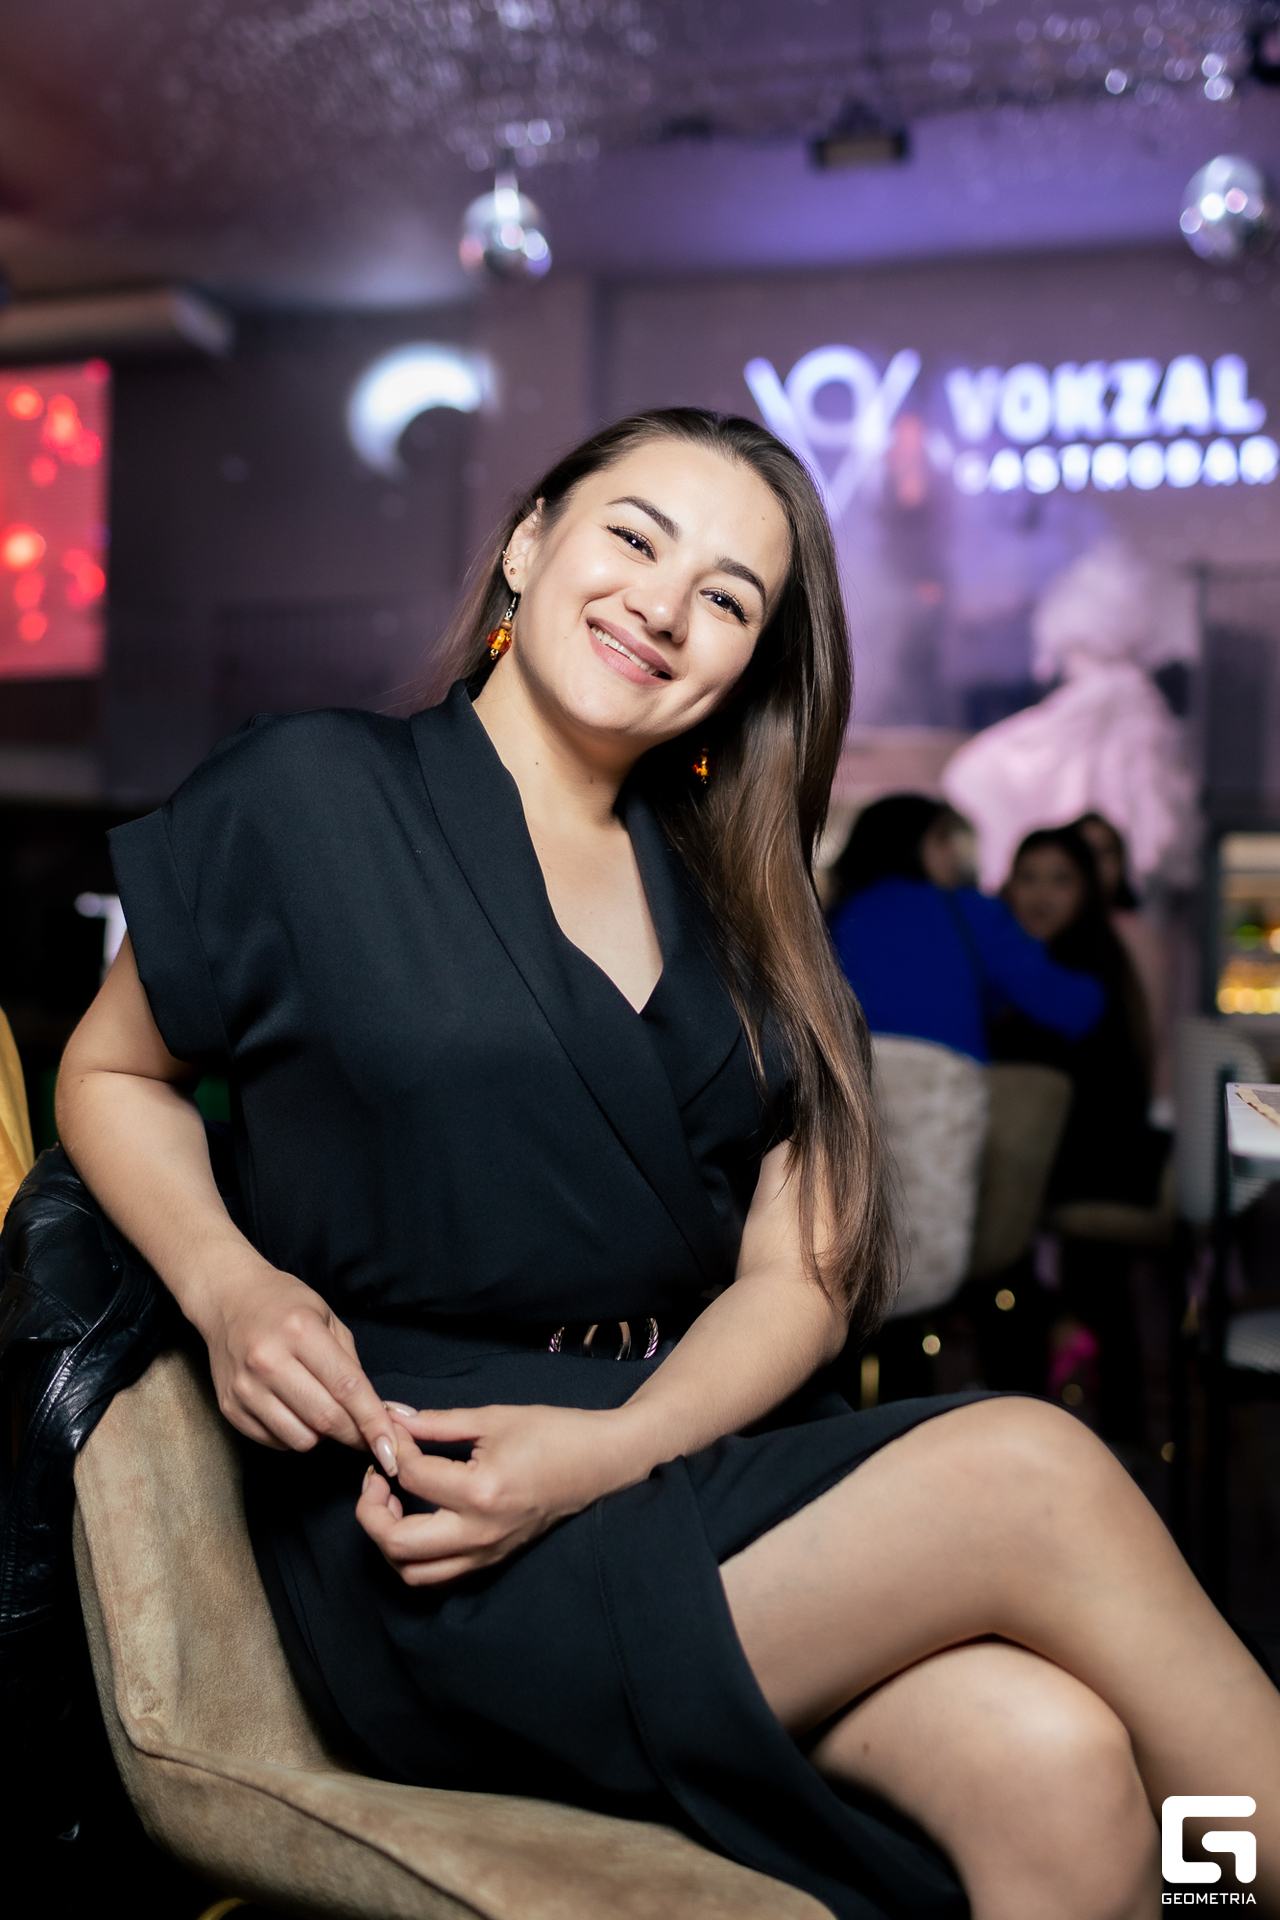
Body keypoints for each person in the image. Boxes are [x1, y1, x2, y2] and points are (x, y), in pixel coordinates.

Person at [55, 410, 1279, 1920]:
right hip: (432, 1514)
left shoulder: (749, 899)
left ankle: (1231, 1892)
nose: (662, 605)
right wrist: (228, 1283)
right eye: (634, 537)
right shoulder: (310, 793)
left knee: (1059, 1761)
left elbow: (800, 1283)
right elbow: (111, 1071)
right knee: (1035, 1468)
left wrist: (612, 1450)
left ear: (752, 664)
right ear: (530, 543)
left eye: (727, 596)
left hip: (678, 1456)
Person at [994, 825, 1169, 1445]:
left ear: (1088, 891)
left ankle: (1021, 1429)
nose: (1041, 894)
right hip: (1079, 1158)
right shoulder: (1049, 955)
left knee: (1004, 1264)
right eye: (1028, 878)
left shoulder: (1076, 962)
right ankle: (1107, 1434)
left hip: (1092, 1159)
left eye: (1061, 880)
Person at [828, 794, 1104, 1063]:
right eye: (942, 839)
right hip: (946, 1083)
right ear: (908, 845)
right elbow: (1071, 1007)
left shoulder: (838, 917)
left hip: (857, 1079)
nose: (955, 852)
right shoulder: (968, 911)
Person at [1073, 809, 1175, 1125]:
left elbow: (1152, 1029)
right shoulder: (1044, 932)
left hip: (1121, 1099)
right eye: (1085, 851)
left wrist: (1160, 1101)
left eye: (1106, 852)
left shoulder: (1135, 935)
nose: (1096, 863)